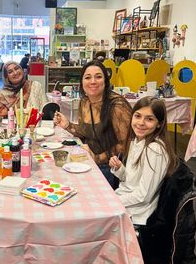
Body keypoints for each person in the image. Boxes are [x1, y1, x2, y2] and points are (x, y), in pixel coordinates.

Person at [53, 60, 132, 188]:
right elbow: (86, 132)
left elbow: (125, 145)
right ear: (82, 82)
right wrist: (68, 125)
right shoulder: (85, 102)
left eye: (98, 77)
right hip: (87, 160)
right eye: (87, 77)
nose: (93, 81)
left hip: (110, 168)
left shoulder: (117, 106)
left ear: (105, 81)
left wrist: (97, 158)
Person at [109, 96, 177, 226]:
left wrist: (112, 200)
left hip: (137, 213)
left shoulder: (154, 149)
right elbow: (130, 180)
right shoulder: (136, 141)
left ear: (159, 123)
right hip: (126, 199)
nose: (141, 123)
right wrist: (119, 169)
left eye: (149, 119)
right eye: (138, 116)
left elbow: (143, 196)